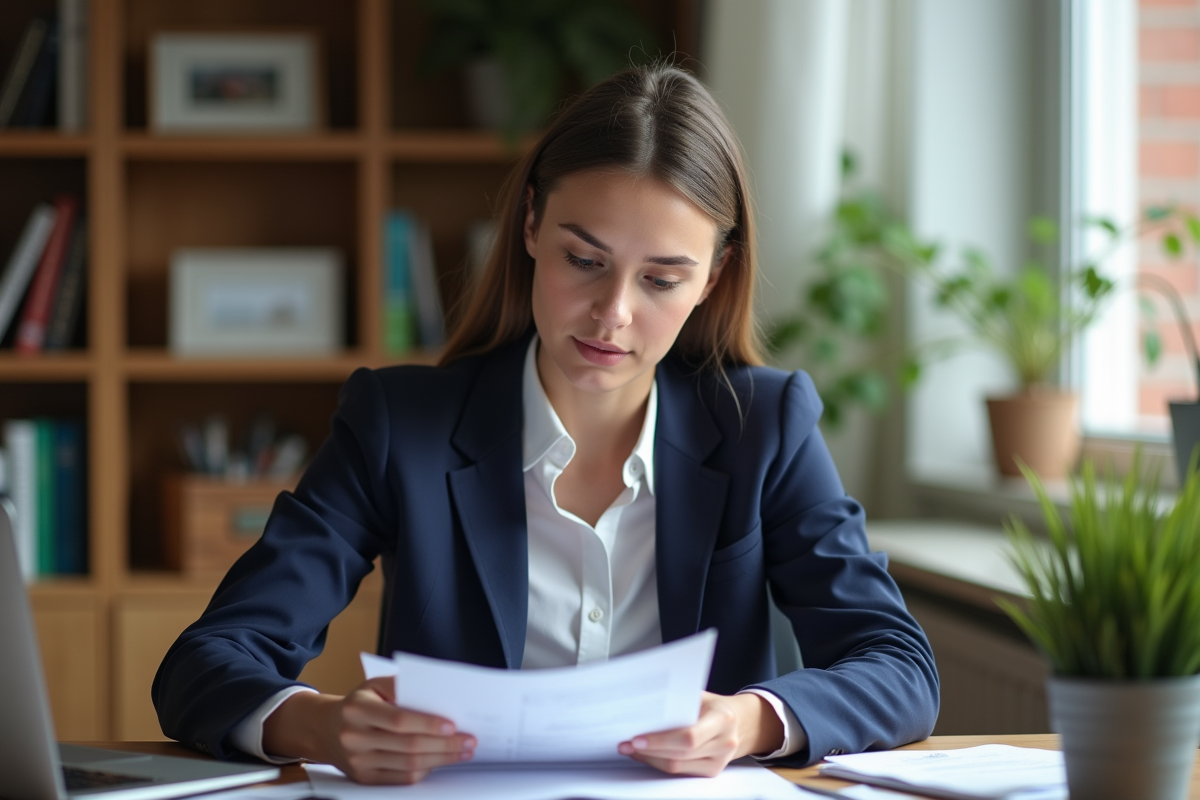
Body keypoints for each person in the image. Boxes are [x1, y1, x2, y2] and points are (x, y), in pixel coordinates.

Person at [153, 63, 938, 785]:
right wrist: (317, 725)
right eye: (584, 260)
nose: (614, 314)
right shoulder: (399, 425)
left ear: (714, 277)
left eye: (663, 278)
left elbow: (898, 666)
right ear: (530, 225)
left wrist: (748, 720)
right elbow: (204, 662)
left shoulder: (763, 425)